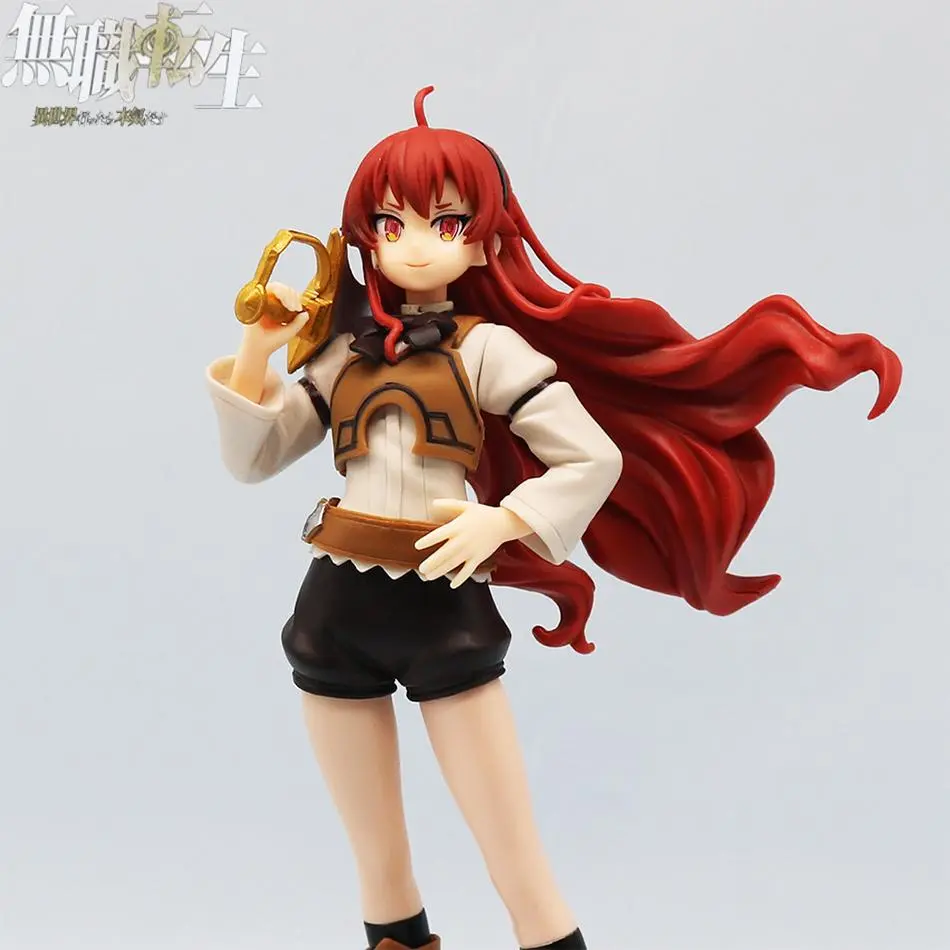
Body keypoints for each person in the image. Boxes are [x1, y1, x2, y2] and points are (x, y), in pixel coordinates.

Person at [205, 86, 902, 950]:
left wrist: (504, 523)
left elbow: (591, 457)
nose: (415, 244)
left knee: (517, 861)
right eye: (390, 224)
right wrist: (255, 350)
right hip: (334, 605)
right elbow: (255, 457)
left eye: (445, 223)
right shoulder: (344, 354)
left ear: (483, 240)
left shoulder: (487, 349)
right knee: (377, 861)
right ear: (364, 238)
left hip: (442, 602)